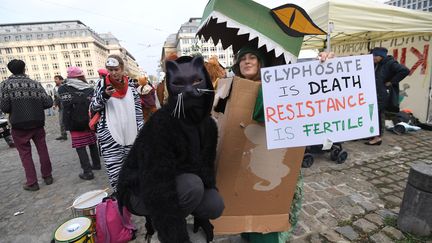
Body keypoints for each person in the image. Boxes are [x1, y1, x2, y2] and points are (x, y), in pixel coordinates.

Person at [117, 56, 224, 243]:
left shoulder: (209, 126)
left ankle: (177, 216)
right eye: (180, 83)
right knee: (192, 187)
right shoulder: (162, 124)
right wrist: (176, 237)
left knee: (213, 203)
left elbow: (206, 172)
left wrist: (202, 217)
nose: (190, 89)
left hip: (178, 179)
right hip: (140, 189)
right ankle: (161, 226)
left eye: (197, 80)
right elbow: (157, 187)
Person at [90, 54, 144, 190]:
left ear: (122, 69)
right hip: (110, 137)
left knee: (133, 169)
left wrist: (142, 133)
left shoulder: (131, 87)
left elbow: (138, 113)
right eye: (110, 69)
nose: (113, 73)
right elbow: (93, 108)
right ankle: (119, 200)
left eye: (116, 69)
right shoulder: (101, 85)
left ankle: (133, 199)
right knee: (115, 174)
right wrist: (104, 96)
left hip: (131, 135)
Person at [0, 59, 54, 191]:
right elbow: (48, 103)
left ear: (10, 70)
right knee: (42, 149)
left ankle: (32, 182)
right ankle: (47, 176)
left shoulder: (5, 85)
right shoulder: (35, 84)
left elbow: (5, 107)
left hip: (19, 124)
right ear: (24, 68)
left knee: (25, 154)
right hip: (37, 122)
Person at [58, 67, 101, 180]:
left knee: (80, 146)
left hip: (74, 121)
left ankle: (88, 172)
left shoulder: (63, 89)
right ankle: (96, 164)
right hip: (89, 120)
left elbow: (66, 104)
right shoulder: (89, 88)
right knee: (92, 143)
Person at [366, 47, 410, 146]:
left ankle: (378, 137)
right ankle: (374, 134)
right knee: (374, 114)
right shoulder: (378, 64)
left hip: (383, 94)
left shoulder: (390, 63)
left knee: (379, 114)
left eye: (375, 56)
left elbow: (405, 71)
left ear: (381, 56)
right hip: (376, 92)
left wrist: (391, 81)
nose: (373, 58)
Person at [53, 75, 68, 140]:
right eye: (54, 79)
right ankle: (63, 135)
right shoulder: (55, 88)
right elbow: (56, 98)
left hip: (68, 106)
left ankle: (77, 133)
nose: (55, 80)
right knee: (61, 122)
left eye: (56, 79)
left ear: (61, 80)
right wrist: (54, 104)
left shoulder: (66, 86)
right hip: (61, 108)